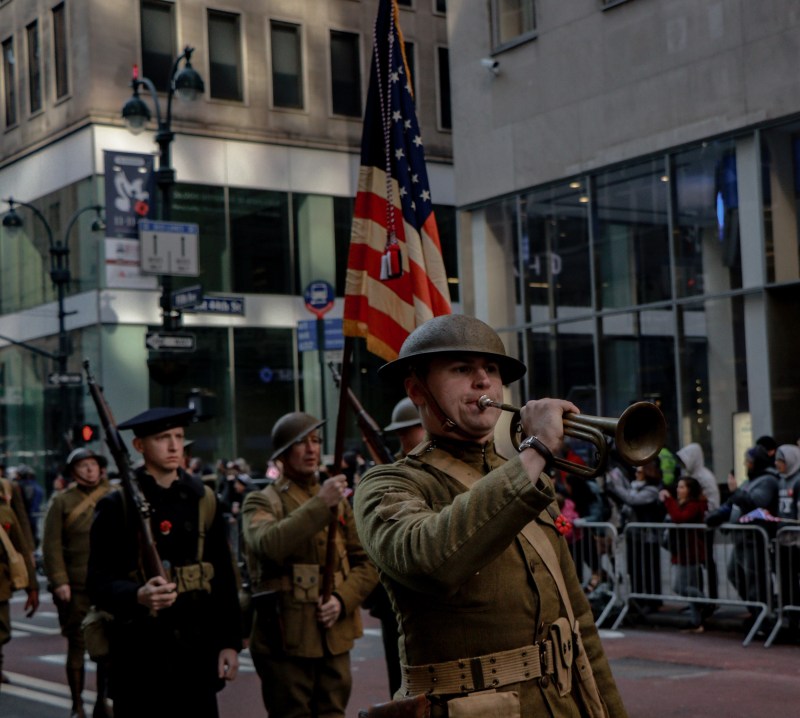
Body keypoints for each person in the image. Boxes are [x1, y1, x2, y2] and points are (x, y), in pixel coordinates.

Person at [354, 314, 627, 717]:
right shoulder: (389, 484)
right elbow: (428, 560)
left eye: (491, 369)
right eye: (462, 369)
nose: (483, 381)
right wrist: (535, 451)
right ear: (416, 389)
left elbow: (579, 622)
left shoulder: (525, 476)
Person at [87, 407, 242, 718]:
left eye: (179, 437)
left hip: (196, 652)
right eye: (162, 438)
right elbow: (97, 581)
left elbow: (224, 577)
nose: (174, 446)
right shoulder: (117, 505)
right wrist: (136, 594)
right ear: (139, 446)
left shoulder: (204, 499)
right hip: (140, 654)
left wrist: (229, 643)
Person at [241, 411, 378, 718]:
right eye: (301, 443)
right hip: (285, 638)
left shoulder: (337, 501)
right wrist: (320, 504)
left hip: (333, 634)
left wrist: (341, 599)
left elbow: (367, 562)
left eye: (316, 441)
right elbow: (268, 545)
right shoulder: (262, 501)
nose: (311, 449)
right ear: (282, 454)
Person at [42, 448, 115, 718]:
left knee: (108, 646)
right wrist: (59, 580)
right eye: (83, 465)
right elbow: (51, 545)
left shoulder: (114, 495)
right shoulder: (62, 501)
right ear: (73, 472)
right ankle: (77, 704)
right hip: (77, 585)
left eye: (93, 464)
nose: (89, 469)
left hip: (110, 584)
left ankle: (102, 701)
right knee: (77, 644)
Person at [606, 459, 666, 614]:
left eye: (639, 471)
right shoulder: (633, 487)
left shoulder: (651, 490)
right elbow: (627, 504)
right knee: (635, 569)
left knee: (649, 569)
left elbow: (632, 500)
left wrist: (615, 486)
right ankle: (637, 599)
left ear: (647, 473)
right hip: (634, 536)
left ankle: (652, 600)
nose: (636, 474)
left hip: (648, 536)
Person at [0, 470, 39, 688]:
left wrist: (32, 586)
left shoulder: (6, 506)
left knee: (2, 629)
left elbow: (21, 546)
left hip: (1, 581)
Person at [658, 476, 709, 632]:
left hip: (689, 552)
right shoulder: (682, 503)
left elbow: (680, 517)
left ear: (689, 490)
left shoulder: (694, 505)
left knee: (679, 586)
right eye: (678, 487)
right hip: (681, 550)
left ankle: (706, 602)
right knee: (691, 586)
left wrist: (668, 501)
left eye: (682, 487)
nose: (678, 490)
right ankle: (696, 621)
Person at [675, 443, 720, 513]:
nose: (683, 465)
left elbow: (712, 501)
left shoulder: (705, 477)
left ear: (692, 459)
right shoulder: (690, 474)